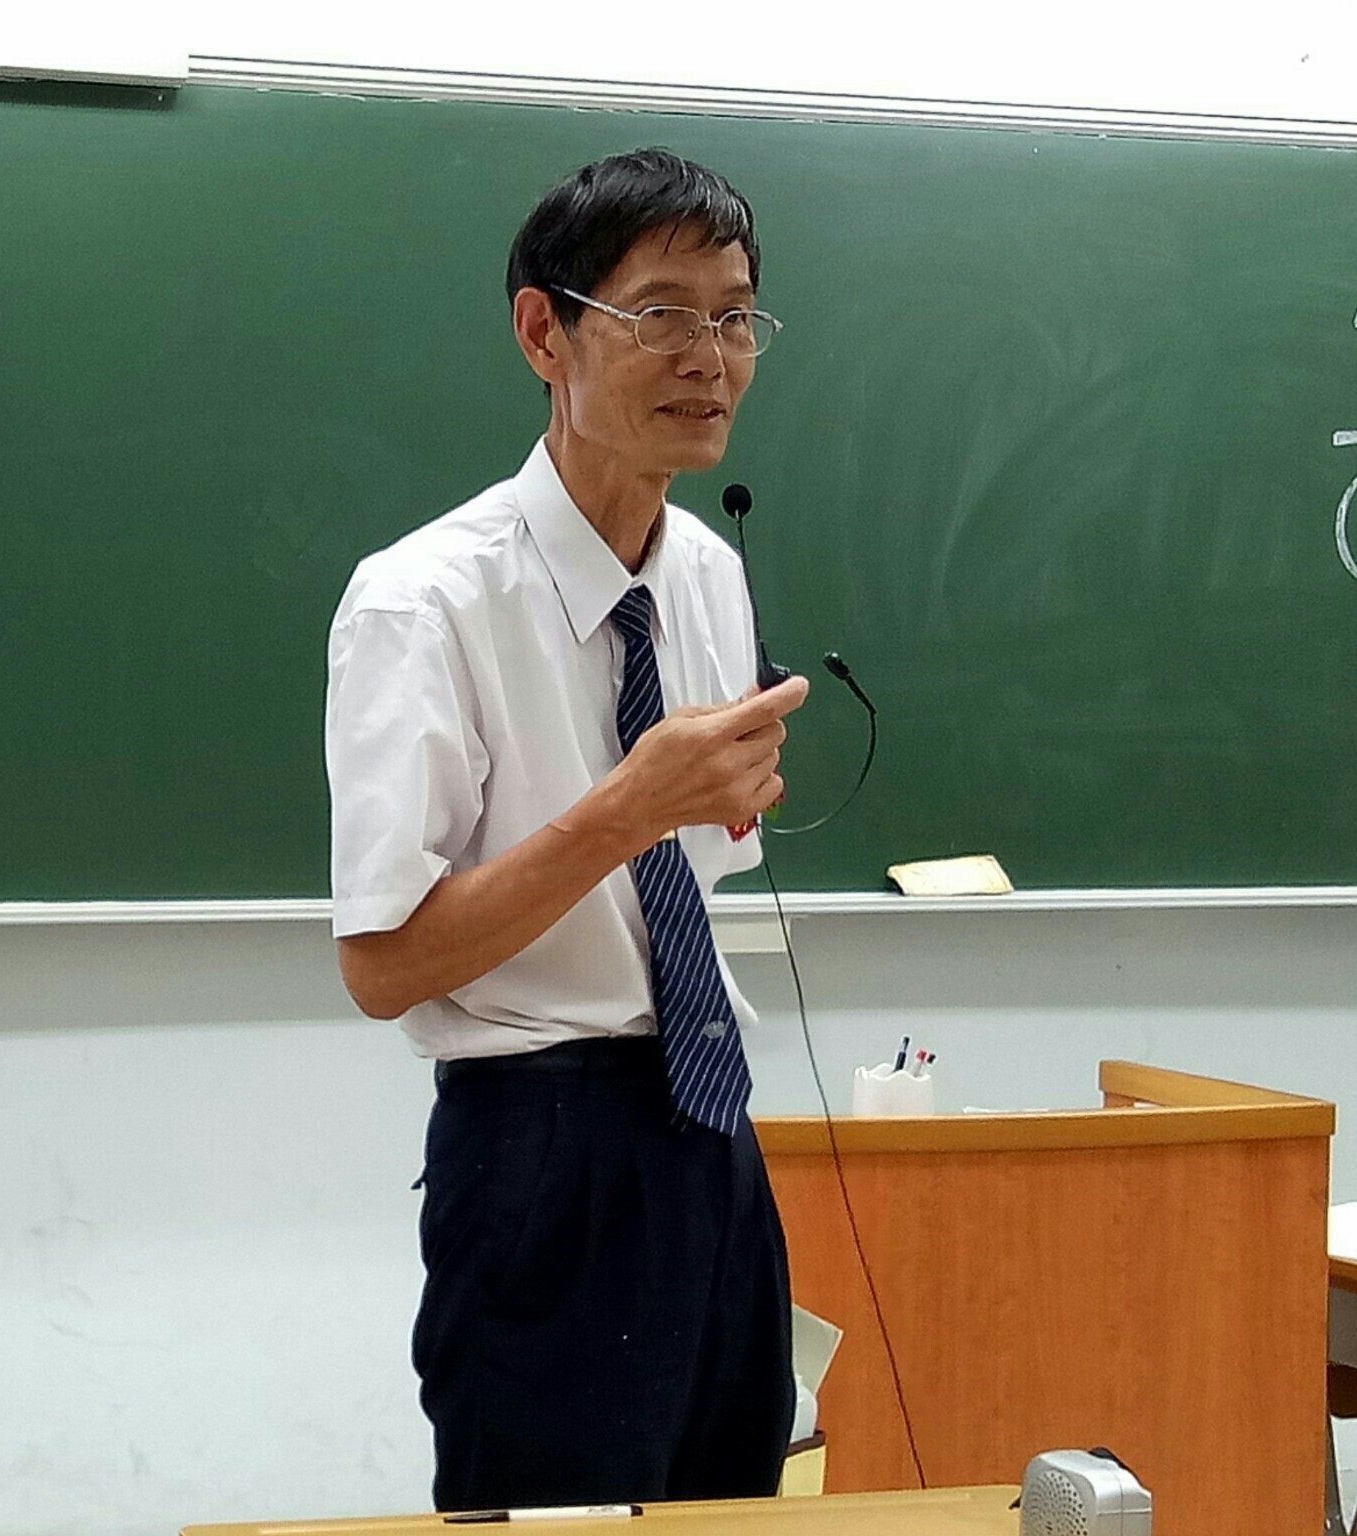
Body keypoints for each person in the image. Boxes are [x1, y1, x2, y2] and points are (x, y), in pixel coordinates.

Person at [325, 148, 810, 1509]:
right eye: (661, 313)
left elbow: (701, 864)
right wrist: (626, 808)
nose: (708, 356)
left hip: (713, 1126)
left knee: (735, 1507)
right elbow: (385, 964)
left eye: (735, 317)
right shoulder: (422, 601)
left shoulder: (706, 571)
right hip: (542, 1145)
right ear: (545, 332)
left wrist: (714, 794)